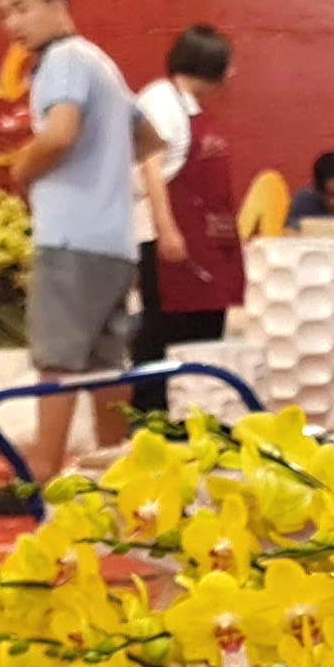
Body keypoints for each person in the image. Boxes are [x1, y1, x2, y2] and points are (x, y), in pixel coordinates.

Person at [0, 0, 160, 489]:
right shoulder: (102, 64)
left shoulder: (62, 61)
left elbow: (60, 134)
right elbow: (151, 139)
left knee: (58, 362)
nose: (11, 25)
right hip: (115, 241)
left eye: (21, 8)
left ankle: (41, 477)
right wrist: (104, 167)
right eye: (2, 15)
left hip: (69, 238)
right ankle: (116, 476)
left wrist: (21, 170)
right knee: (106, 367)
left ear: (58, 4)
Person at [129, 26, 242, 413]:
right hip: (169, 238)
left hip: (205, 242)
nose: (232, 75)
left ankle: (196, 412)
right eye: (227, 65)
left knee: (204, 330)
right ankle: (150, 413)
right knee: (163, 330)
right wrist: (168, 232)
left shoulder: (192, 107)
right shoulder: (161, 100)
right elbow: (152, 168)